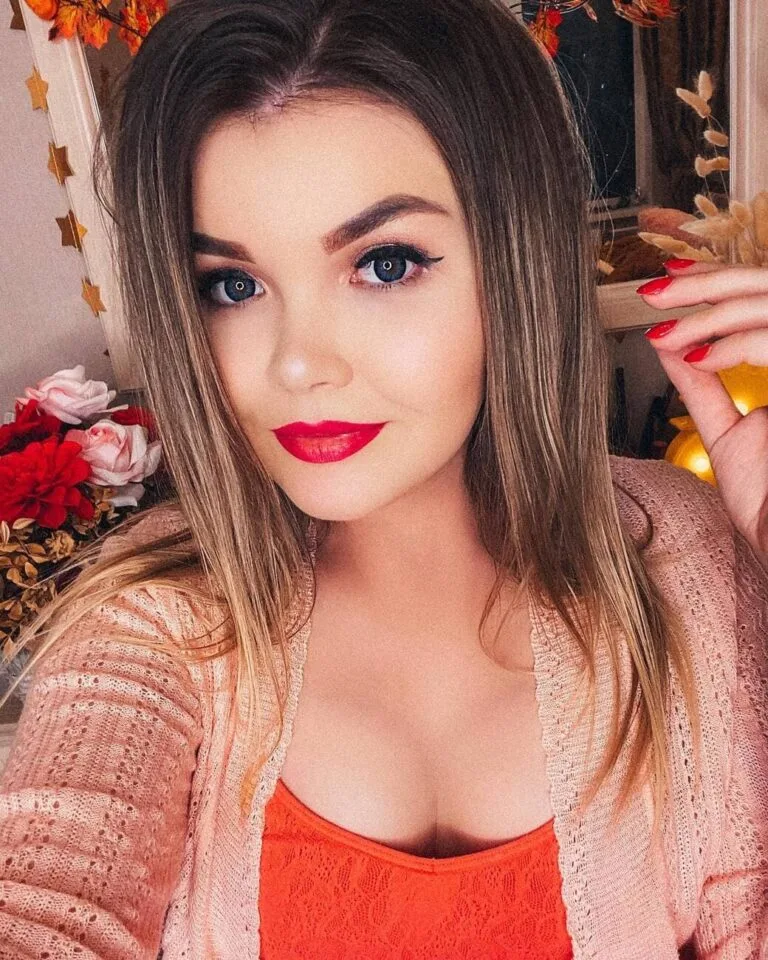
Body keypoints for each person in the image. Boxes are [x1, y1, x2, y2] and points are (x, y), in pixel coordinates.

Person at [0, 0, 766, 956]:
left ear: (515, 261)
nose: (297, 365)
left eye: (386, 263)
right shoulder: (154, 618)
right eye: (232, 286)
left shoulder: (683, 562)